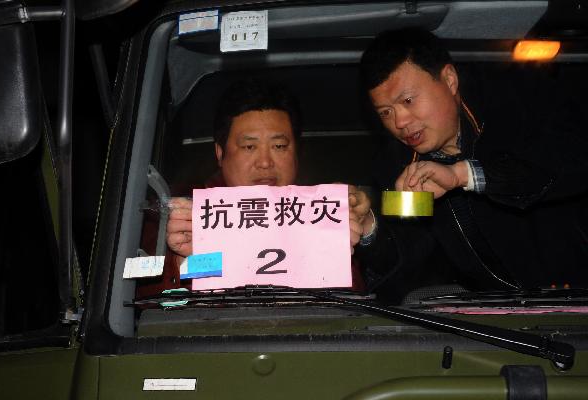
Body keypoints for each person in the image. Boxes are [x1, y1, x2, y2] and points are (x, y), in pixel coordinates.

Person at [359, 28, 588, 292]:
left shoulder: (517, 102)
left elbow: (568, 161)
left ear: (449, 80)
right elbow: (411, 258)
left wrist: (466, 175)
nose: (400, 122)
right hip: (497, 315)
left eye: (408, 100)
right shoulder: (398, 169)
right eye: (386, 112)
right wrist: (370, 230)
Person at [163, 79, 375, 289]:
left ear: (296, 153)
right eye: (249, 147)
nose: (265, 162)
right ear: (220, 153)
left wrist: (360, 225)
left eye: (279, 146)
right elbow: (152, 305)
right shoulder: (186, 218)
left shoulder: (318, 213)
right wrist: (185, 262)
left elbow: (351, 305)